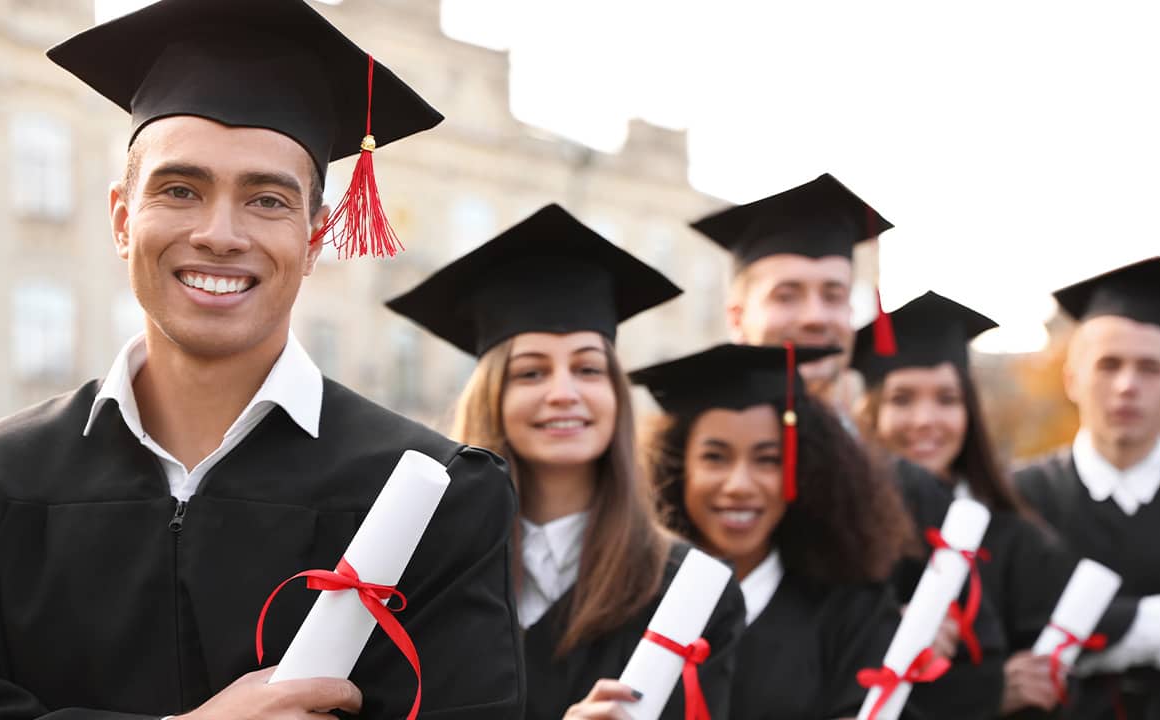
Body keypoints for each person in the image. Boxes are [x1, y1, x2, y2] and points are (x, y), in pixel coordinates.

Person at [0, 1, 524, 718]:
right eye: (180, 190)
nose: (220, 233)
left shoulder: (439, 497)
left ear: (315, 239)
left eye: (266, 200)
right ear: (123, 219)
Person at [386, 204, 746, 720]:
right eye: (531, 373)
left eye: (588, 368)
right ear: (492, 398)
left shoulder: (690, 592)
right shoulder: (421, 570)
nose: (563, 393)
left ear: (616, 394)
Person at [689, 173, 1007, 718]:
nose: (816, 315)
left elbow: (984, 674)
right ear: (738, 317)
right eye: (788, 294)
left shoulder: (913, 492)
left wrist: (918, 648)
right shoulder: (686, 474)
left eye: (834, 294)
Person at [633, 342, 916, 719]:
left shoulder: (851, 611)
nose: (739, 485)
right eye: (715, 457)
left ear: (805, 468)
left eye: (768, 459)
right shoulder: (629, 600)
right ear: (676, 466)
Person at [852, 290, 1078, 717]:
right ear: (871, 413)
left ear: (969, 413)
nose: (925, 420)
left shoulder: (1018, 537)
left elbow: (1044, 683)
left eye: (947, 399)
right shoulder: (848, 536)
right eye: (902, 399)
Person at [1014, 257, 1160, 720]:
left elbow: (1047, 623)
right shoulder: (1018, 495)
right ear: (1072, 379)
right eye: (1108, 365)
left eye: (1149, 368)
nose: (1127, 385)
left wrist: (1079, 630)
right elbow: (1015, 625)